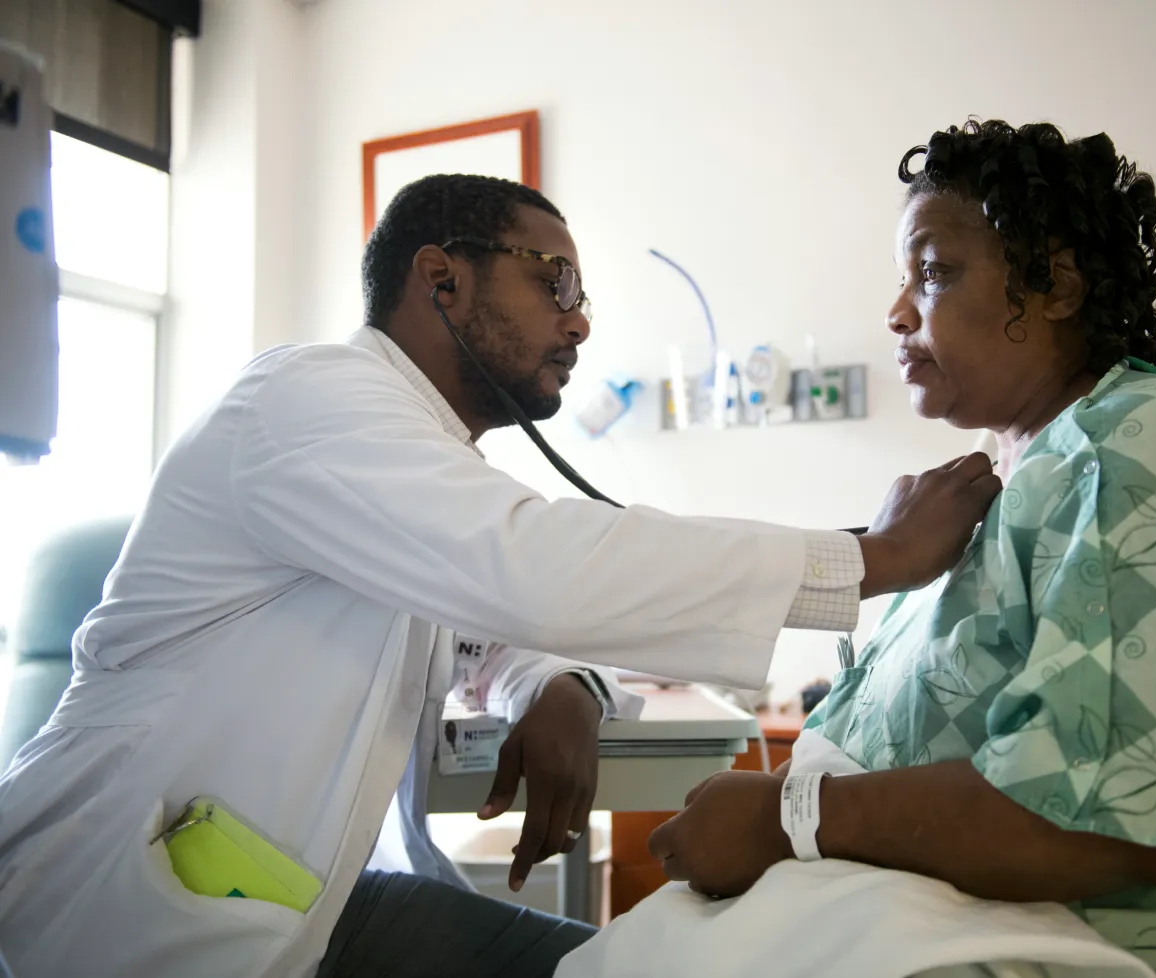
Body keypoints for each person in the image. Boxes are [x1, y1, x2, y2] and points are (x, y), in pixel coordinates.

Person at [0, 174, 1001, 978]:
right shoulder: (308, 398)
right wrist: (869, 560)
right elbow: (525, 563)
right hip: (117, 906)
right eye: (553, 284)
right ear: (442, 278)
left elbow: (480, 620)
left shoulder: (419, 464)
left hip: (285, 896)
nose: (578, 324)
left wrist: (558, 682)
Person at [649, 121, 1156, 978]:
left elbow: (1118, 823)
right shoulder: (994, 497)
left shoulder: (1139, 450)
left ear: (1058, 285)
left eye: (933, 272)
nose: (897, 312)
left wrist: (789, 818)